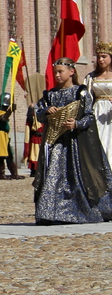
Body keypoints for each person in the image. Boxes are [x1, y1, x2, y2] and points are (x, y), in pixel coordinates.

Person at [33, 58, 112, 225]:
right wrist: (47, 111)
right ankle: (50, 212)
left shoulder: (80, 92)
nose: (57, 75)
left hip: (76, 145)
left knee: (77, 177)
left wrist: (76, 124)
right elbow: (38, 113)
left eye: (60, 71)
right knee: (53, 176)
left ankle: (80, 211)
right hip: (56, 142)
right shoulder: (50, 95)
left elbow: (89, 116)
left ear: (71, 72)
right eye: (55, 72)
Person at [85, 41, 112, 165]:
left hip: (111, 113)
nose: (100, 60)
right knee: (100, 141)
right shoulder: (91, 77)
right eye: (98, 57)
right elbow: (87, 97)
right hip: (98, 111)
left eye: (104, 57)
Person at [0, 93, 22, 180]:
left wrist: (9, 110)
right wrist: (10, 111)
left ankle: (14, 173)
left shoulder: (3, 109)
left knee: (9, 154)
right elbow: (2, 118)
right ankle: (1, 174)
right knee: (1, 155)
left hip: (4, 134)